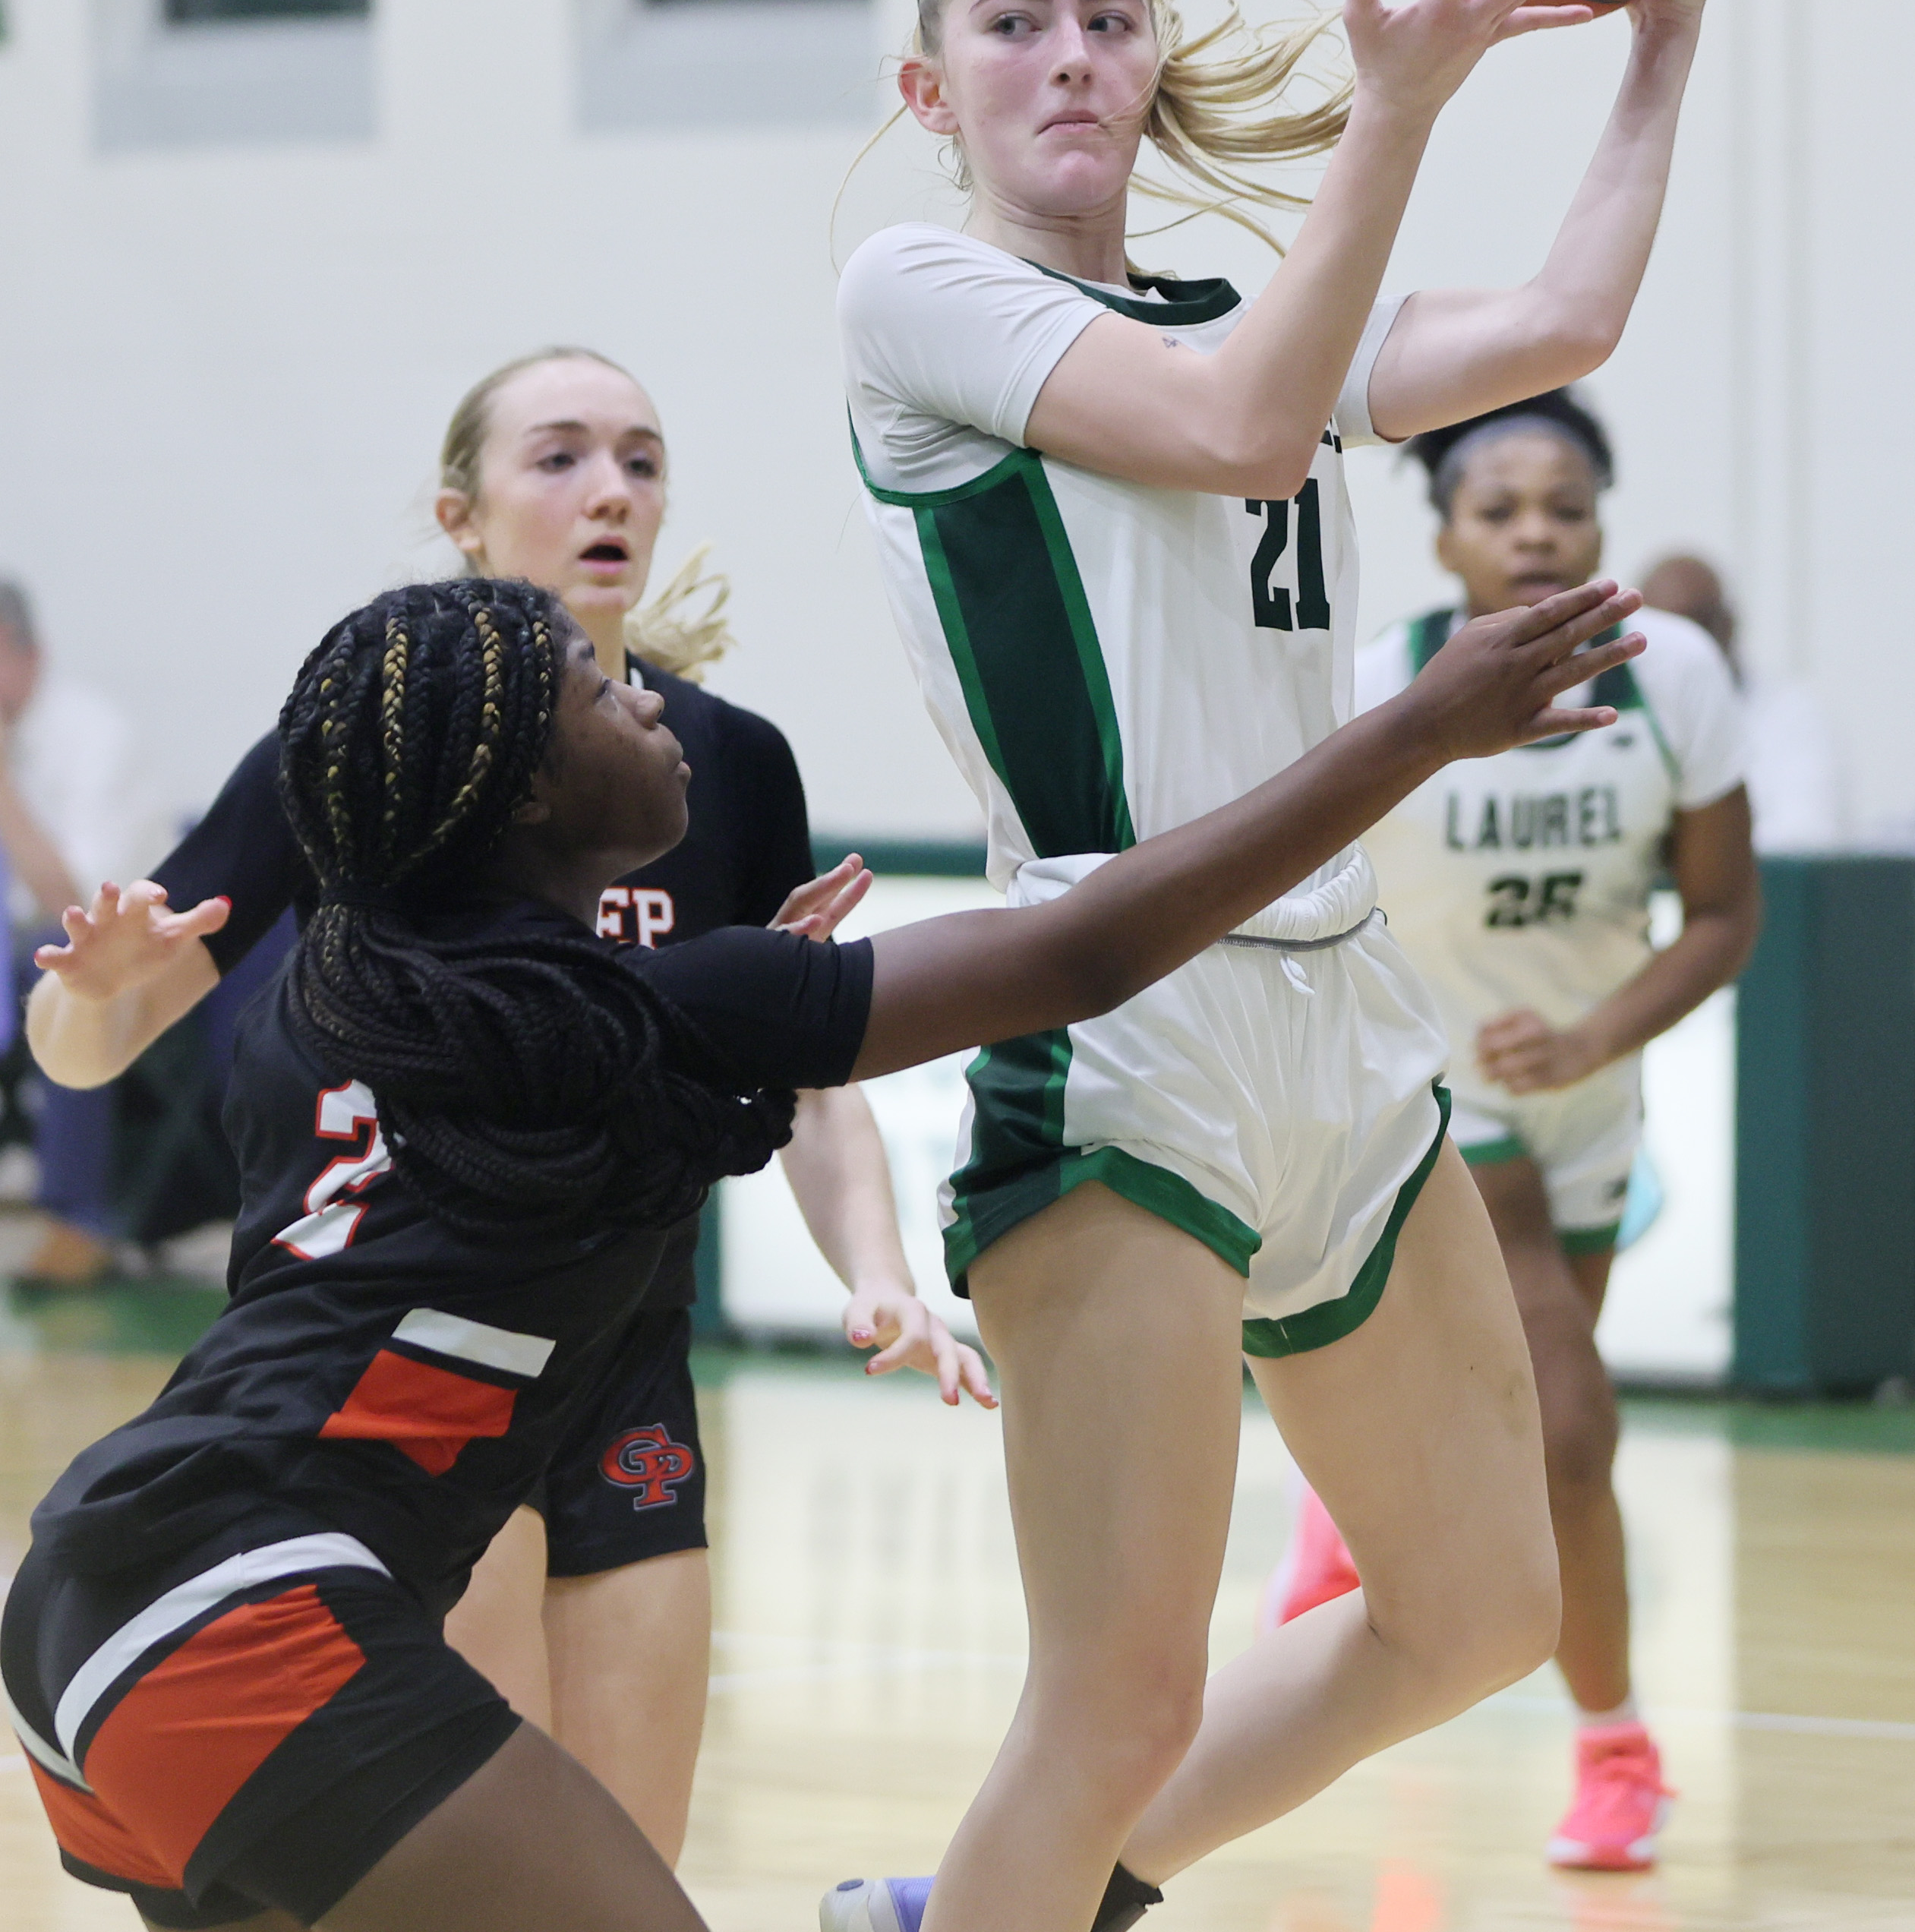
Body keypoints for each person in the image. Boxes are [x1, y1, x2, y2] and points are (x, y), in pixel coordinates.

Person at [5, 567, 1639, 1932]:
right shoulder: (643, 1003)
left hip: (117, 1592)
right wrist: (1417, 730)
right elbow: (1089, 945)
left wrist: (728, 1027)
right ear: (516, 792)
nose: (645, 692)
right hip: (240, 1604)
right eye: (597, 687)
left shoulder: (393, 981)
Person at [828, 0, 1727, 1932]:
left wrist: (1662, 38)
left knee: (1486, 1598)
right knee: (1113, 1689)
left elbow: (1567, 314)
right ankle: (1003, 1900)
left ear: (1154, 66)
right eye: (1015, 22)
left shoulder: (1255, 308)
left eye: (1110, 17)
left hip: (1343, 1013)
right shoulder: (920, 293)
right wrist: (1398, 110)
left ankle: (1005, 1904)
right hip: (1118, 1012)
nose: (1070, 55)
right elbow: (1241, 431)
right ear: (925, 85)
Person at [21, 346, 989, 1867]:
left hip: (619, 1354)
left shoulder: (721, 766)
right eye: (559, 456)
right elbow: (91, 1042)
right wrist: (94, 988)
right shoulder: (355, 759)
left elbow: (804, 1079)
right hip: (397, 1375)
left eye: (642, 457)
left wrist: (879, 1274)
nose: (612, 489)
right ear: (459, 515)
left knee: (627, 1857)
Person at [1264, 392, 1759, 1871]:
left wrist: (1601, 1034)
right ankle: (1617, 1743)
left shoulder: (1675, 675)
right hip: (1439, 1084)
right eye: (1498, 509)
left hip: (1592, 1087)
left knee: (1515, 1414)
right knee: (1566, 1424)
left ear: (1601, 520)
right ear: (1442, 537)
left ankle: (1346, 1486)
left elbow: (1724, 912)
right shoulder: (1380, 688)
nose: (1534, 530)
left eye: (1563, 505)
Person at [0, 579, 143, 1286]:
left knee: (55, 963)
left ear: (31, 656)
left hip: (113, 962)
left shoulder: (93, 736)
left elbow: (70, 912)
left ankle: (74, 1219)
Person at [1639, 551, 1846, 852]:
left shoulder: (1793, 713)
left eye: (1696, 626)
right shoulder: (1615, 715)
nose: (1684, 648)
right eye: (1666, 633)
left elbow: (1807, 838)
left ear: (1728, 624)